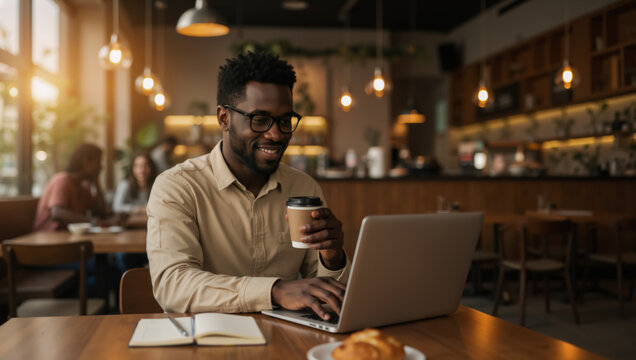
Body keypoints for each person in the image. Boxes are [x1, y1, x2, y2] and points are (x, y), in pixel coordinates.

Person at [147, 52, 350, 321]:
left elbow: (324, 291)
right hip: (205, 341)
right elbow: (173, 285)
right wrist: (274, 291)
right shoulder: (178, 187)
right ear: (224, 119)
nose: (275, 134)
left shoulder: (303, 187)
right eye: (260, 120)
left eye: (285, 120)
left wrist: (332, 257)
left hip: (286, 340)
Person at [33, 143, 113, 231]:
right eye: (98, 162)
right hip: (47, 238)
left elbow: (100, 213)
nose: (101, 167)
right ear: (85, 162)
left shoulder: (83, 187)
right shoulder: (62, 180)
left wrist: (97, 183)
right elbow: (57, 213)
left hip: (66, 236)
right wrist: (94, 222)